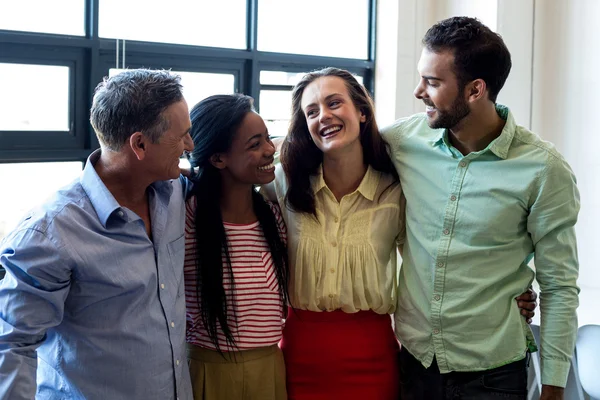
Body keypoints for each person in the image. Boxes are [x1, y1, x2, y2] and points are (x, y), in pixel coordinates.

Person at [262, 67, 537, 400]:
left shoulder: (397, 190)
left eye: (334, 103)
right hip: (297, 358)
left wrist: (510, 292)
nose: (324, 116)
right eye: (312, 112)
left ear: (362, 112)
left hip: (373, 361)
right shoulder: (284, 182)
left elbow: (437, 259)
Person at [380, 17, 580, 400]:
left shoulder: (543, 169)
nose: (418, 91)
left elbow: (558, 284)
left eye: (433, 82)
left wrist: (553, 386)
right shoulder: (402, 141)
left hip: (494, 376)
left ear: (475, 90)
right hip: (413, 365)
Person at [0, 69, 194, 399]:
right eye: (182, 136)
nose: (190, 145)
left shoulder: (173, 191)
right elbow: (11, 346)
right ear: (140, 144)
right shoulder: (49, 232)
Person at [184, 94, 290, 399]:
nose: (270, 150)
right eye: (255, 144)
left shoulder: (273, 216)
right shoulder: (186, 217)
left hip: (269, 366)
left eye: (268, 139)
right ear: (218, 159)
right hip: (207, 369)